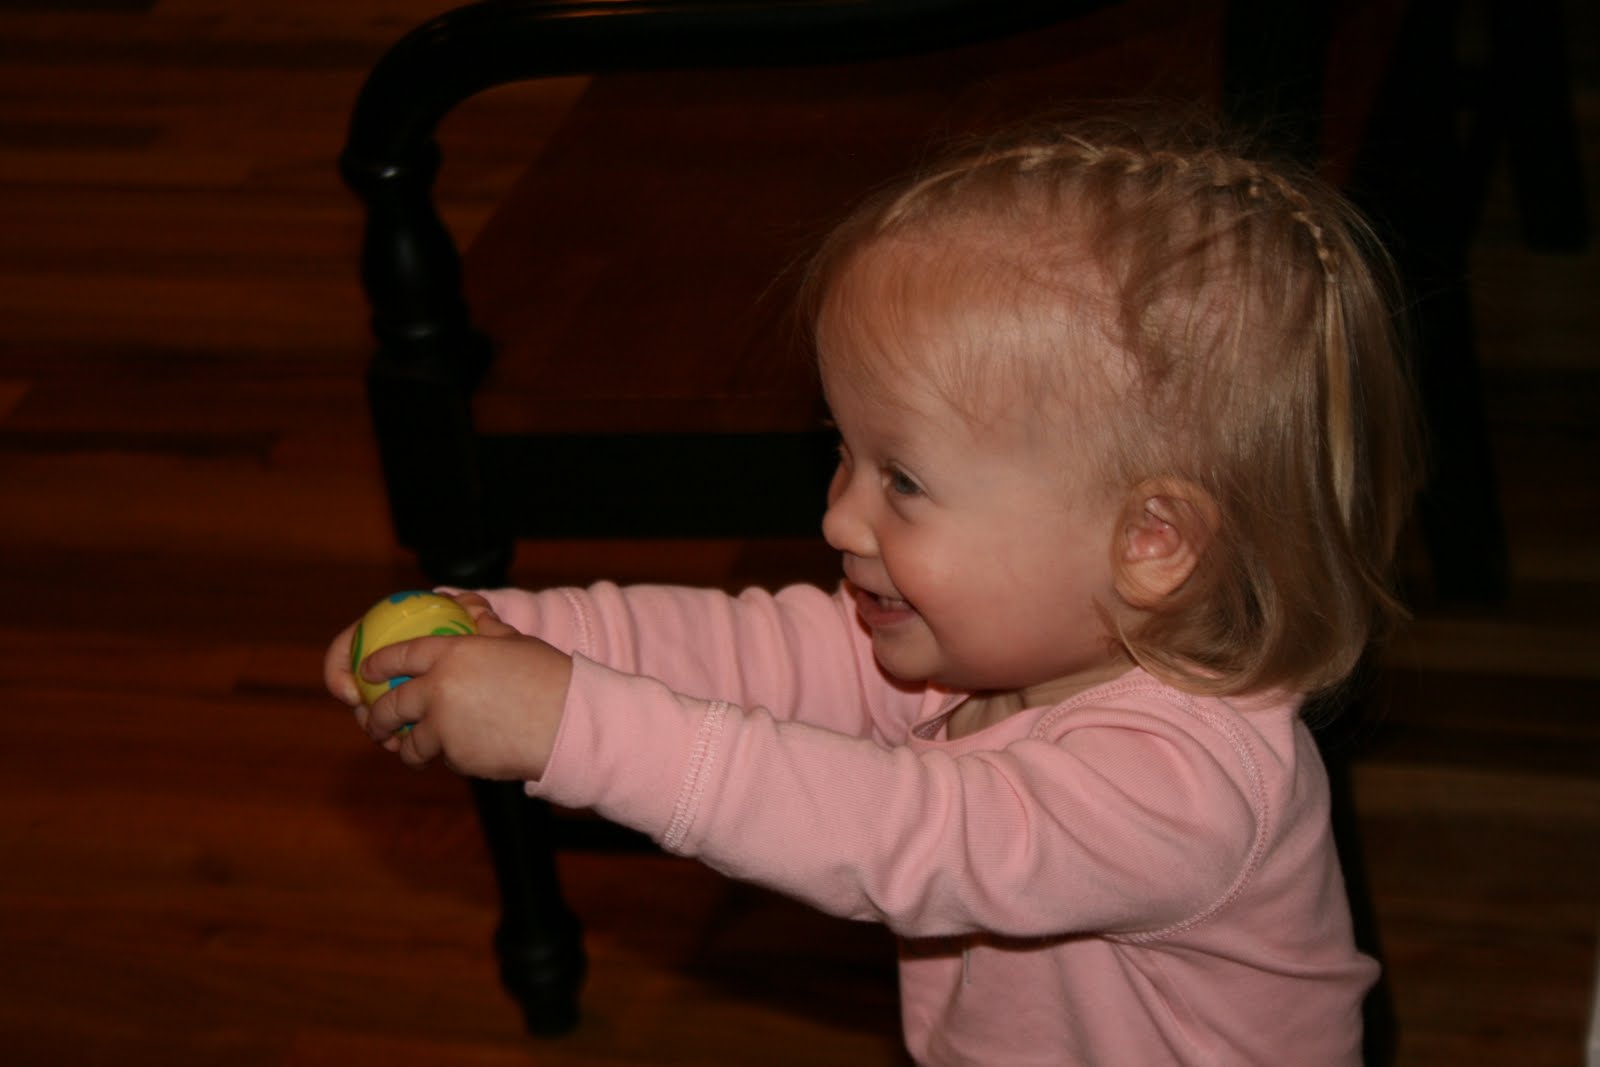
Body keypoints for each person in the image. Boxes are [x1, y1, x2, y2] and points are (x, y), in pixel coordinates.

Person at [326, 109, 1420, 1065]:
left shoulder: (1187, 786)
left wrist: (571, 723)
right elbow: (749, 651)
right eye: (843, 452)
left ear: (1150, 538)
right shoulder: (977, 643)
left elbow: (907, 834)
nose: (840, 517)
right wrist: (511, 632)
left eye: (902, 479)